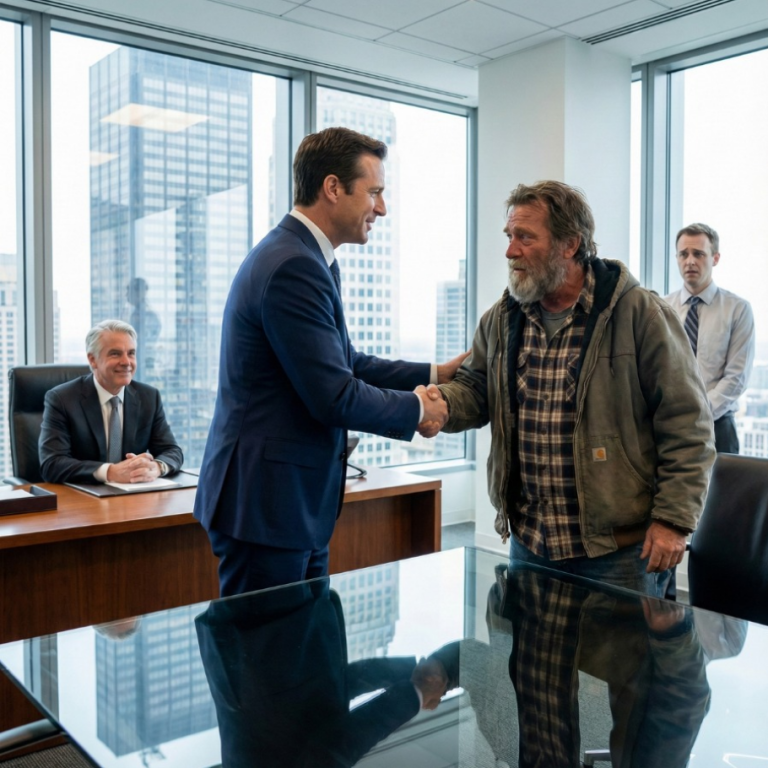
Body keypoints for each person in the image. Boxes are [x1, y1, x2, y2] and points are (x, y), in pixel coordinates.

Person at [194, 127, 461, 596]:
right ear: (333, 188)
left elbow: (344, 362)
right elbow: (334, 395)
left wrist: (435, 374)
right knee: (267, 659)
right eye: (374, 193)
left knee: (299, 656)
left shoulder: (306, 257)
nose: (382, 208)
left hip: (287, 505)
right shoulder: (293, 265)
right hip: (268, 508)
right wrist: (420, 409)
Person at [433, 181, 715, 596]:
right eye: (510, 237)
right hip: (530, 542)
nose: (511, 251)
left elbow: (688, 424)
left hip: (618, 553)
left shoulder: (640, 314)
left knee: (615, 664)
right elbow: (476, 390)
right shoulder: (501, 318)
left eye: (525, 237)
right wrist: (438, 404)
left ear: (570, 244)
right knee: (533, 661)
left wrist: (673, 520)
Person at [39, 319, 183, 484]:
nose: (126, 362)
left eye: (131, 353)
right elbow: (52, 464)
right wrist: (110, 472)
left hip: (134, 498)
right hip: (83, 500)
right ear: (93, 360)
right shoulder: (62, 399)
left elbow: (172, 451)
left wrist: (156, 467)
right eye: (115, 353)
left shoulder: (148, 397)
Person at [665, 223, 755, 453]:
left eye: (698, 254)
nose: (690, 261)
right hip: (668, 427)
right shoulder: (662, 309)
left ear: (715, 258)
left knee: (725, 490)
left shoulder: (737, 309)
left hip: (718, 427)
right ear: (676, 258)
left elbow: (736, 378)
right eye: (683, 254)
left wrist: (697, 414)